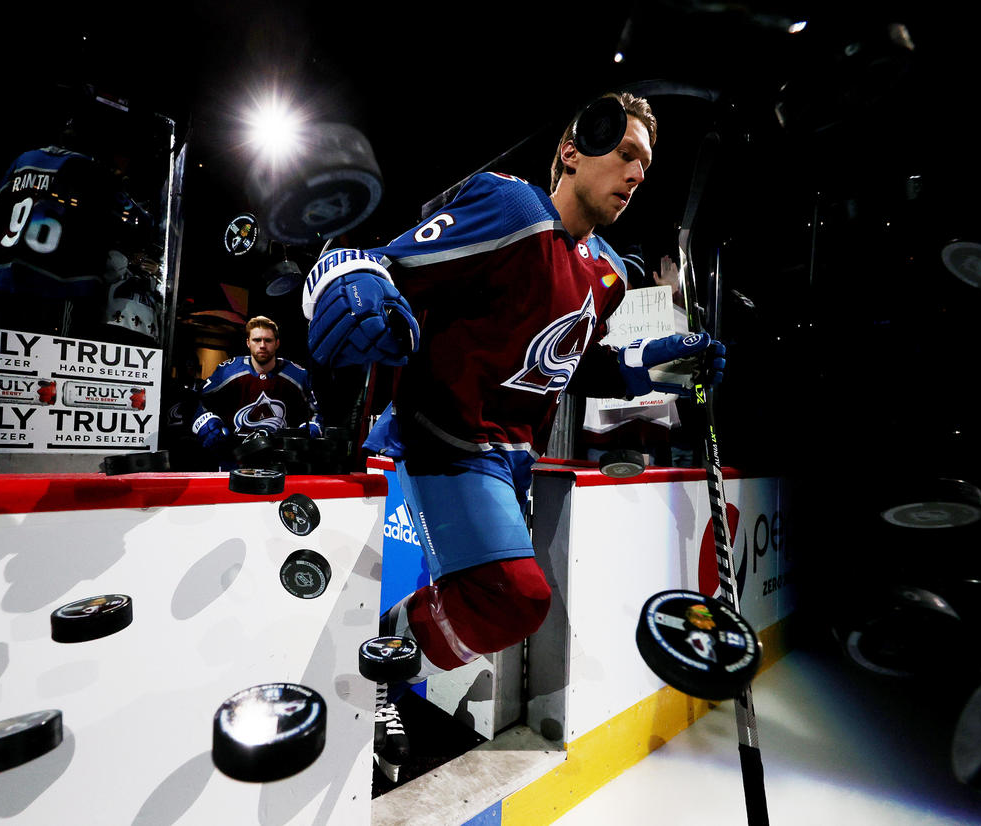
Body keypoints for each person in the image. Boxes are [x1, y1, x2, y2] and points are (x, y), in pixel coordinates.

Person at [299, 93, 725, 780]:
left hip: (505, 459)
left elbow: (572, 363)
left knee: (495, 603)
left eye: (646, 165)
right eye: (625, 154)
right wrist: (350, 286)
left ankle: (382, 659)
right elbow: (377, 264)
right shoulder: (513, 212)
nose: (637, 173)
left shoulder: (608, 273)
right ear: (571, 149)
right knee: (512, 598)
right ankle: (379, 667)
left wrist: (653, 366)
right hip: (439, 438)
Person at [191, 316, 321, 465]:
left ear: (277, 343)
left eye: (268, 340)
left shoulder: (298, 375)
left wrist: (312, 429)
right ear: (248, 342)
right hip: (234, 460)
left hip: (279, 463)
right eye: (257, 340)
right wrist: (206, 423)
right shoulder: (227, 372)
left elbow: (315, 413)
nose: (262, 345)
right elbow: (198, 401)